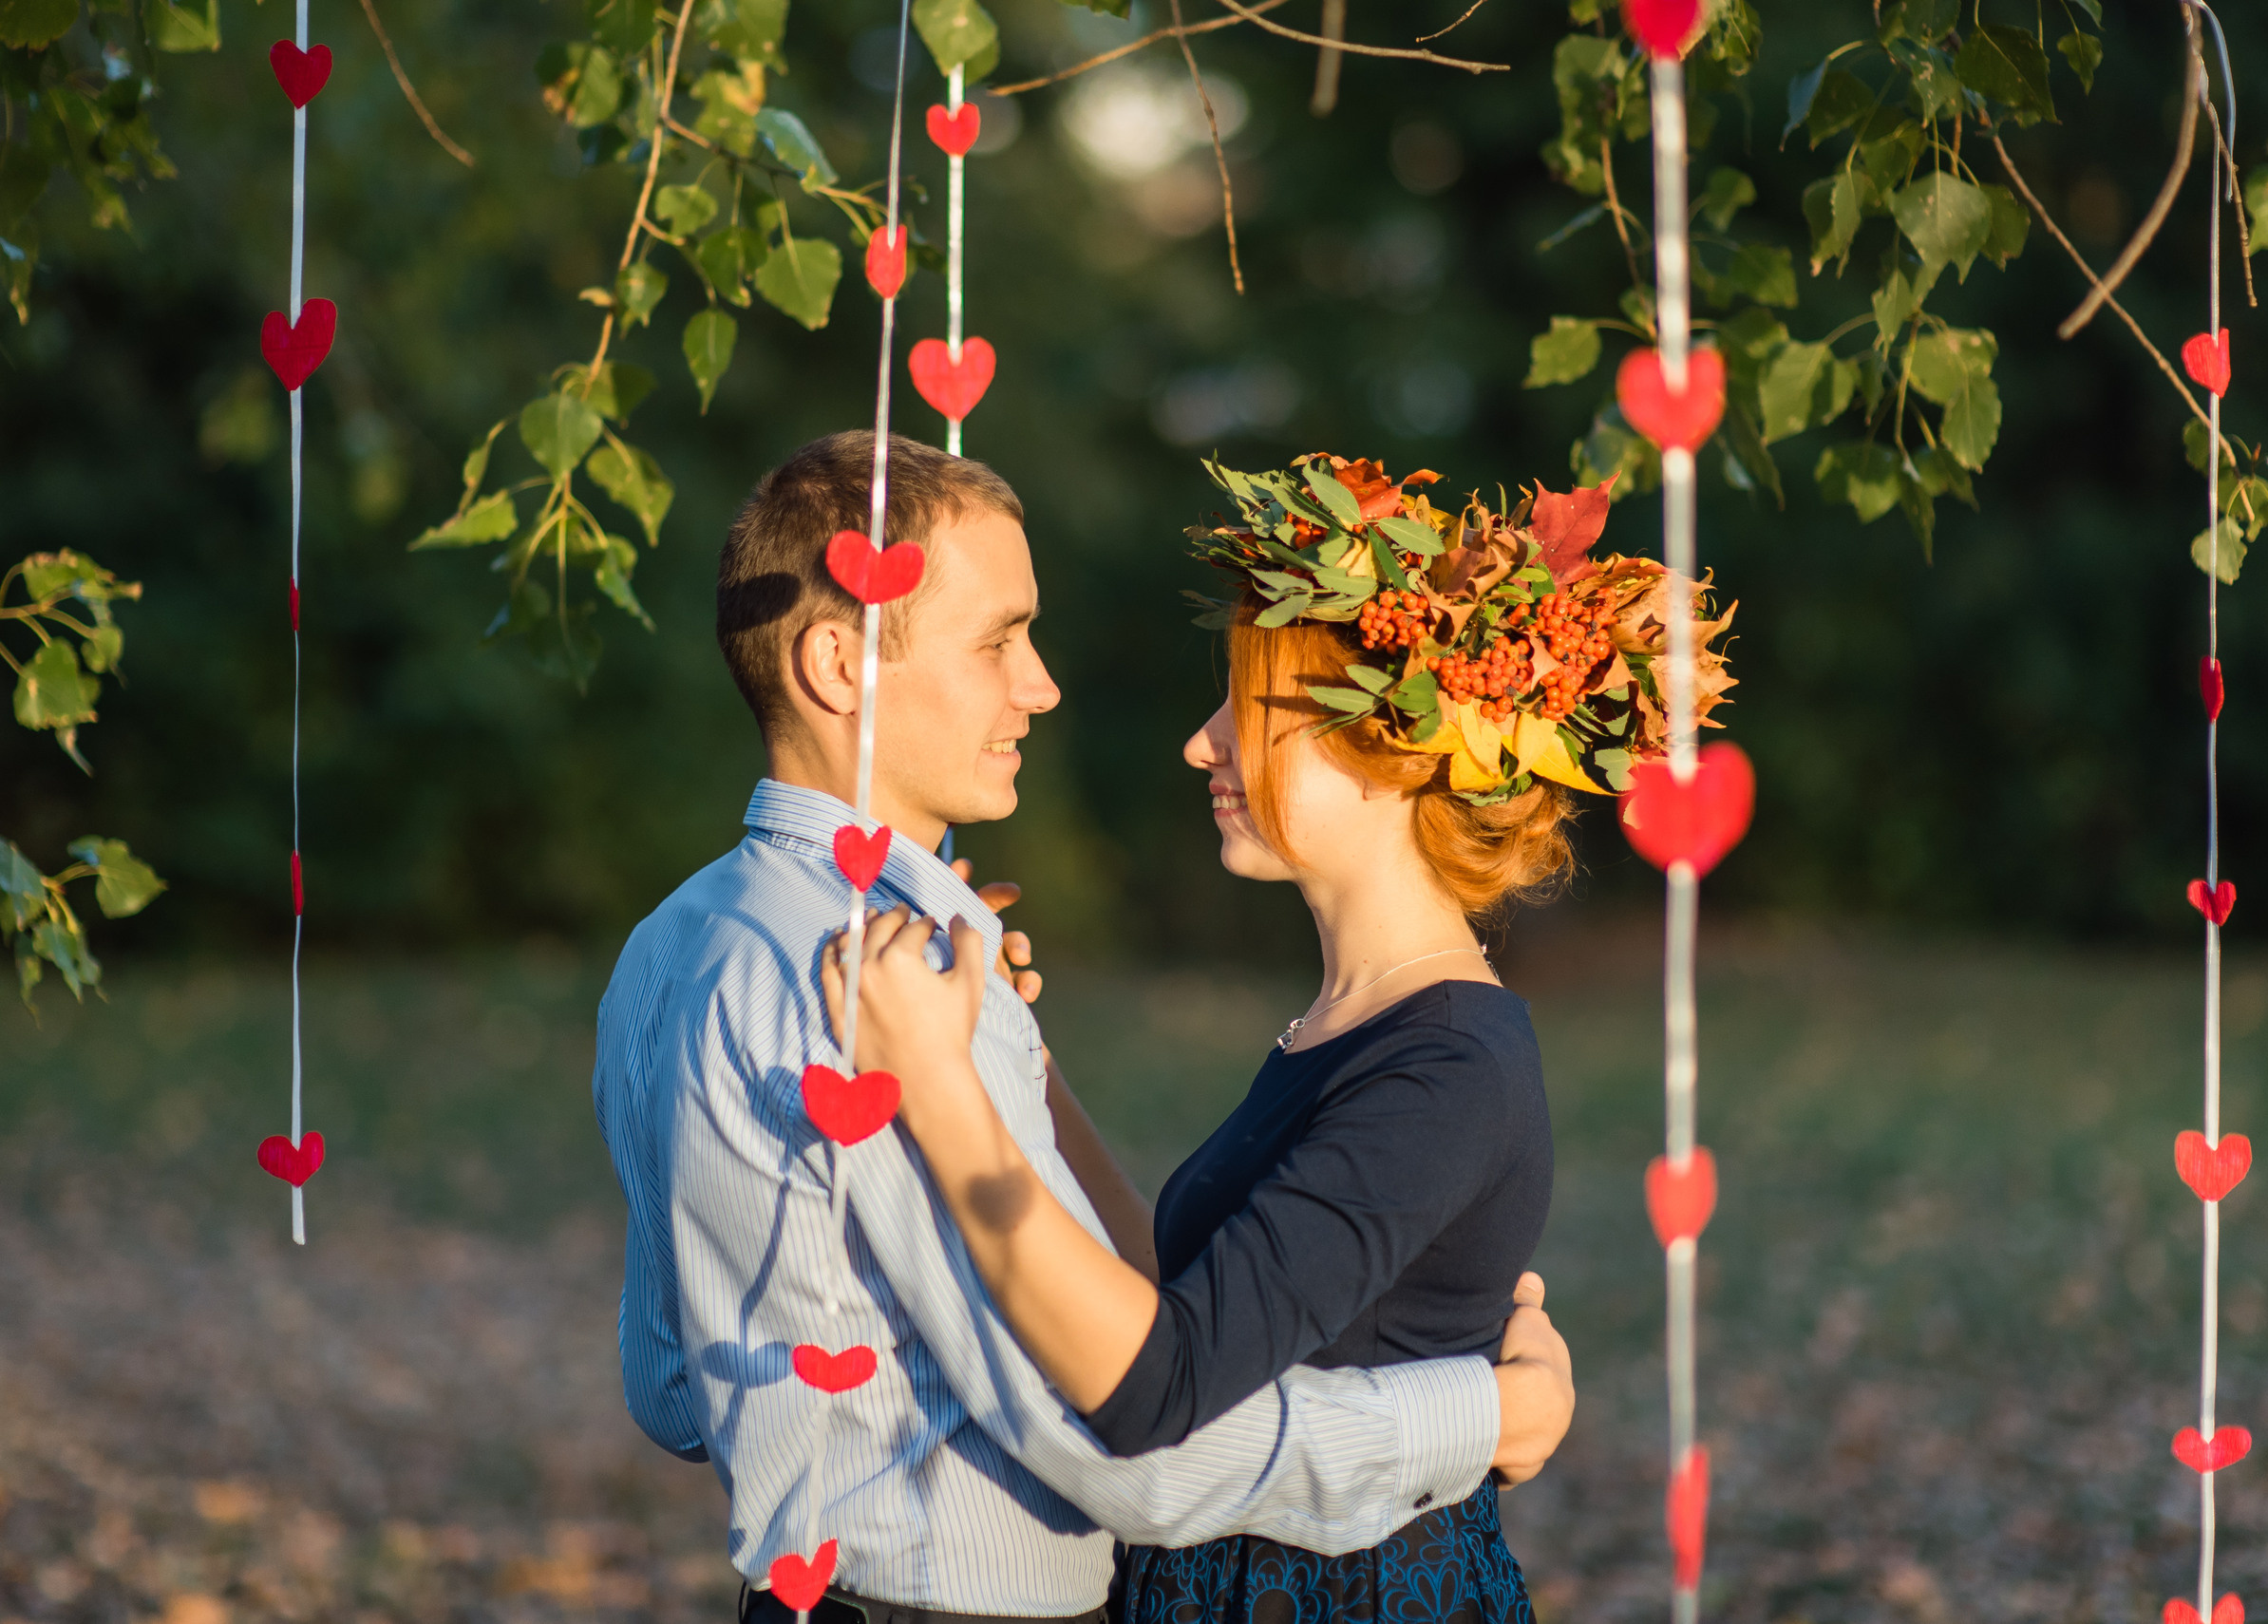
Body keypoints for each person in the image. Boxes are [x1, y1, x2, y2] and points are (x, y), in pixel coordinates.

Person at [591, 431, 1579, 1624]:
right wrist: (1482, 1413)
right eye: (999, 639)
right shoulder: (884, 989)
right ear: (839, 665)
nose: (1041, 684)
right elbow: (1132, 1447)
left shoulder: (673, 943)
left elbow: (671, 1390)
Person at [830, 454, 1737, 1621]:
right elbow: (1165, 1297)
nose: (1201, 747)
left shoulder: (1447, 1068)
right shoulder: (1346, 1026)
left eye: (1250, 713)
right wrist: (1012, 1047)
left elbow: (1157, 1389)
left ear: (1396, 749)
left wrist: (936, 1088)